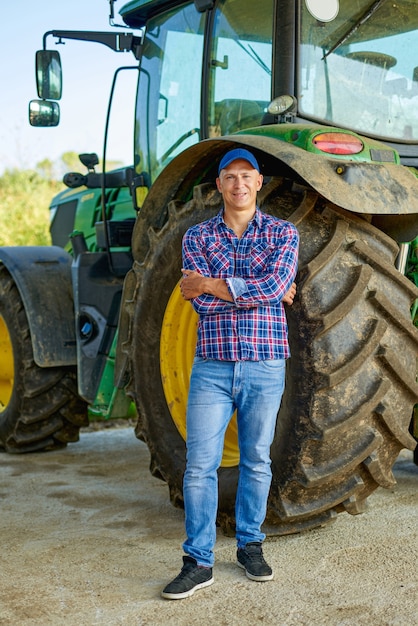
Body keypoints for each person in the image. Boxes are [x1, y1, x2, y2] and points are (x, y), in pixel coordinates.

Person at [161, 148, 299, 600]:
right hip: (213, 367)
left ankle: (250, 545)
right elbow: (196, 298)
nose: (239, 184)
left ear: (260, 183)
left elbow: (274, 286)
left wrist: (213, 284)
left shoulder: (284, 233)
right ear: (219, 185)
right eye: (229, 177)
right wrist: (258, 292)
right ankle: (198, 561)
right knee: (200, 466)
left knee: (257, 460)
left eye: (247, 176)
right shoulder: (196, 236)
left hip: (264, 363)